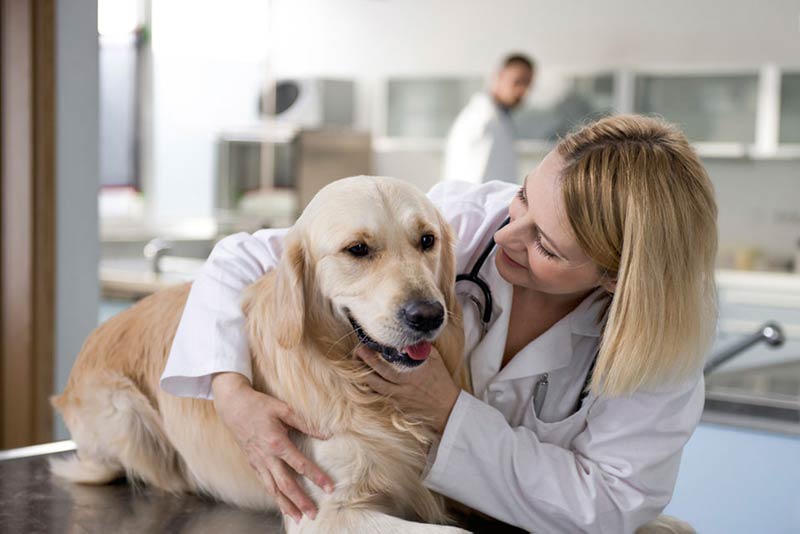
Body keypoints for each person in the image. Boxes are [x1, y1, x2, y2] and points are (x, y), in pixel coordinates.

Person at [161, 114, 718, 533]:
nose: (505, 236)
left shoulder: (660, 352)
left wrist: (447, 409)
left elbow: (612, 505)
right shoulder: (463, 219)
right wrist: (228, 390)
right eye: (523, 199)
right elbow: (243, 258)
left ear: (617, 277)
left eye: (544, 244)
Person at [442, 53, 534, 184]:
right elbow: (475, 181)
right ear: (499, 76)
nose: (522, 91)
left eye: (528, 84)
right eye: (517, 81)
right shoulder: (484, 120)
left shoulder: (499, 119)